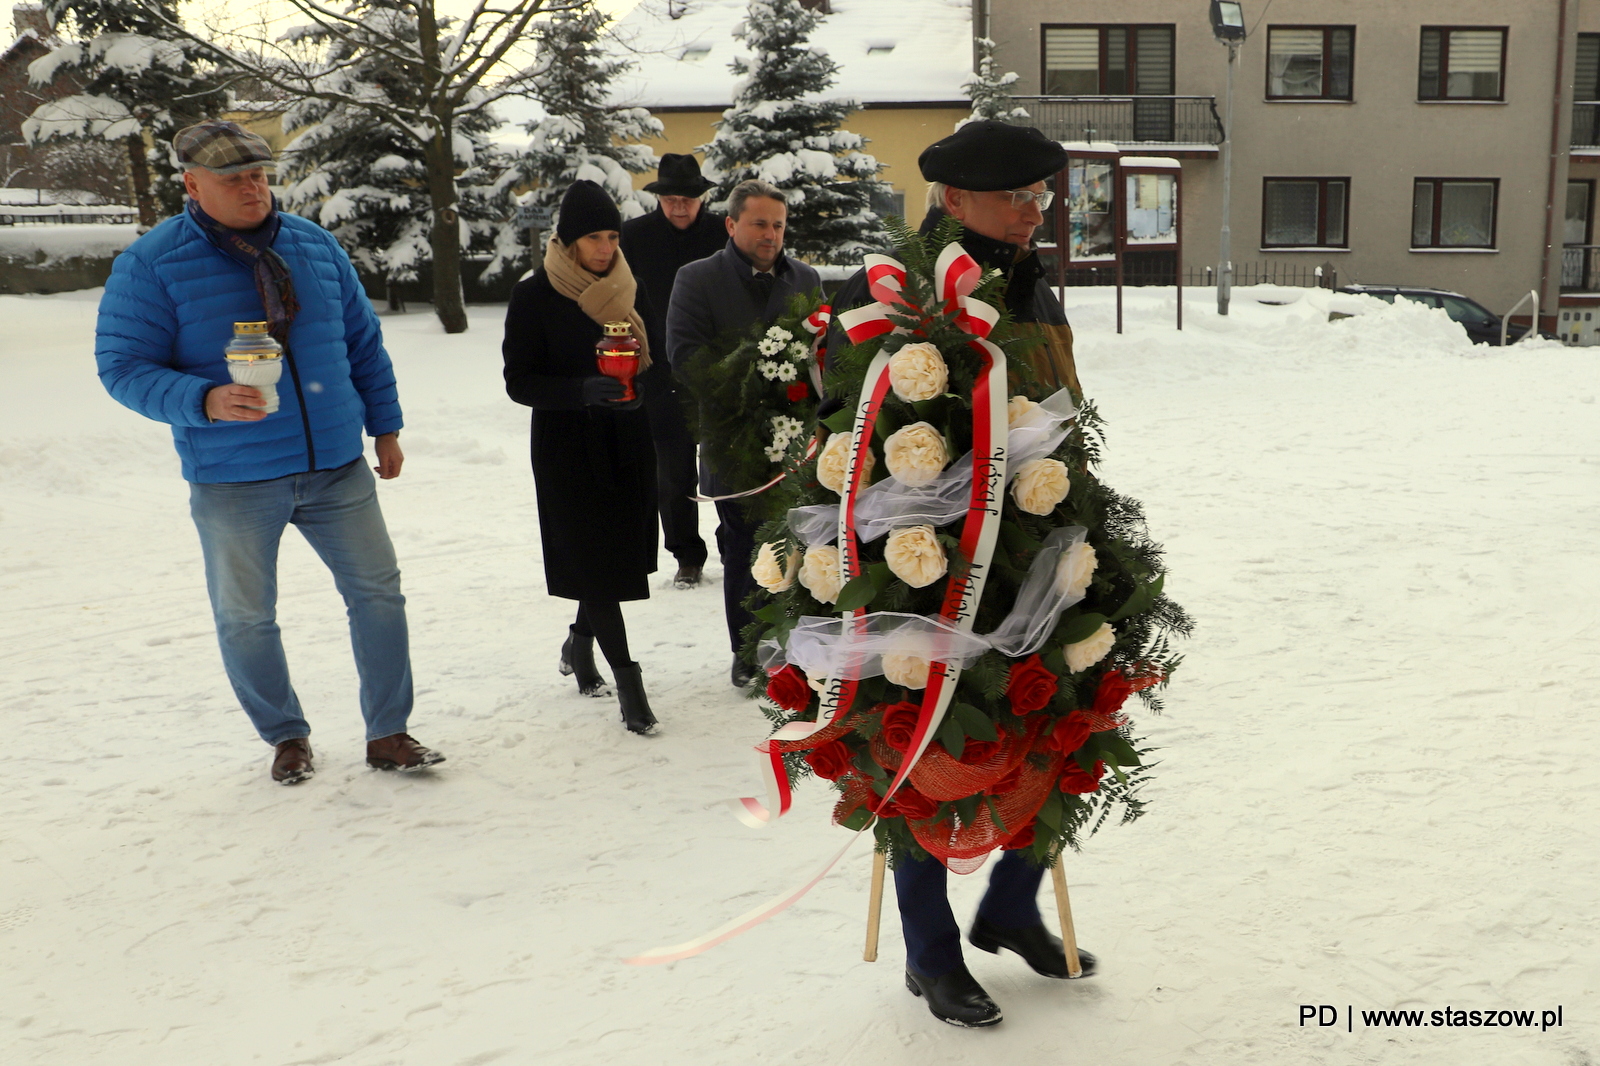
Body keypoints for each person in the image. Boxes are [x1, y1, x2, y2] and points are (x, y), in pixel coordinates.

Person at [828, 121, 1092, 1028]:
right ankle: (932, 954)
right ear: (954, 198)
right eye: (1017, 196)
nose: (1033, 211)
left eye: (1040, 196)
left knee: (1063, 721)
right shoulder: (902, 288)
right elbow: (850, 411)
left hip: (1035, 538)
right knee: (923, 744)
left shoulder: (1029, 279)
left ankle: (1013, 906)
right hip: (927, 559)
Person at [94, 120, 444, 785]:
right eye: (233, 179)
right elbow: (121, 367)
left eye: (258, 174)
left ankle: (389, 732)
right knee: (247, 617)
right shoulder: (152, 263)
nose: (252, 188)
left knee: (379, 594)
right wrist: (205, 399)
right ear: (193, 185)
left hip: (337, 467)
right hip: (234, 478)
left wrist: (386, 426)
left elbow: (363, 344)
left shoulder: (314, 246)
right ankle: (285, 737)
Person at [501, 180, 661, 735]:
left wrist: (632, 390)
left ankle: (577, 642)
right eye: (594, 236)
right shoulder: (534, 294)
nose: (605, 247)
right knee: (593, 559)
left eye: (612, 235)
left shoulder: (625, 286)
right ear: (568, 240)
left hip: (625, 440)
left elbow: (647, 359)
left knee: (612, 558)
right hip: (567, 447)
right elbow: (518, 381)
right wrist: (579, 391)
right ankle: (628, 681)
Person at [666, 178, 821, 689]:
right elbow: (684, 355)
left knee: (800, 542)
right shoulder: (697, 278)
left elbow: (825, 349)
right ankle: (749, 650)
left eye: (778, 225)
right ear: (732, 224)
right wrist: (755, 372)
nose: (770, 234)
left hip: (799, 440)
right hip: (733, 439)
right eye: (759, 223)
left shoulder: (804, 279)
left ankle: (797, 644)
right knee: (743, 546)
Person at [620, 154, 725, 592]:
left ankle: (740, 542)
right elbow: (618, 294)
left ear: (702, 198)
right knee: (673, 470)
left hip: (720, 366)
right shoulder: (635, 236)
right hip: (660, 368)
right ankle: (686, 555)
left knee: (728, 462)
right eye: (671, 199)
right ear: (659, 199)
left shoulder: (725, 233)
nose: (680, 207)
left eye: (689, 199)